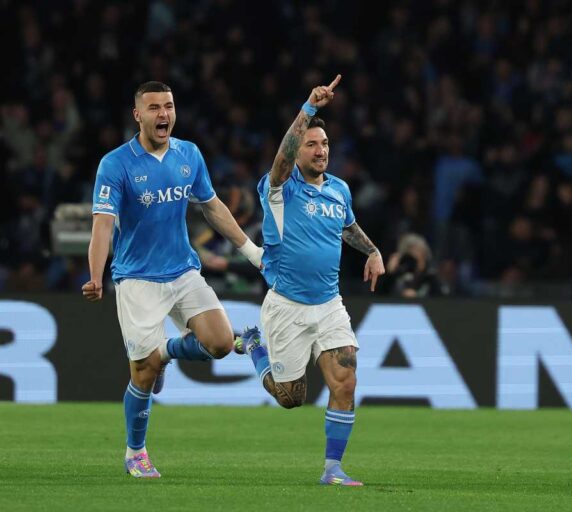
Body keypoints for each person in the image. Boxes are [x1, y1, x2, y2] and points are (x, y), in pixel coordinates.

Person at [82, 81, 264, 478]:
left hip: (183, 270)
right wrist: (95, 274)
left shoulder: (189, 154)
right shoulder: (116, 164)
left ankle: (165, 353)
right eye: (153, 108)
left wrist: (252, 252)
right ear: (138, 115)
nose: (163, 114)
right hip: (137, 279)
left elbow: (211, 207)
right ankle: (136, 452)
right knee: (142, 373)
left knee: (218, 343)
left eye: (168, 106)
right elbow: (103, 224)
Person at [233, 75, 385, 486]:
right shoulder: (279, 189)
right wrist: (309, 109)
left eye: (325, 145)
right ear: (298, 151)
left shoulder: (339, 190)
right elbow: (280, 160)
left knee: (346, 380)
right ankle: (252, 345)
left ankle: (332, 469)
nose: (321, 152)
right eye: (312, 145)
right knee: (291, 398)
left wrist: (371, 251)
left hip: (329, 303)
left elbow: (348, 228)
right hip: (287, 306)